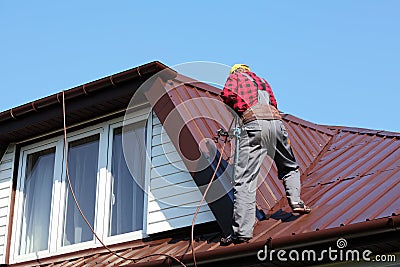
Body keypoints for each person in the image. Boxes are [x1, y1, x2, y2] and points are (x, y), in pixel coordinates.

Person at [220, 64, 311, 246]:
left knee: (245, 179)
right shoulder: (262, 81)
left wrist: (238, 110)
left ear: (235, 71)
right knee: (289, 165)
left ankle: (242, 232)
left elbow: (227, 94)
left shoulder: (235, 78)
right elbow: (274, 104)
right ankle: (296, 201)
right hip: (277, 124)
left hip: (254, 125)